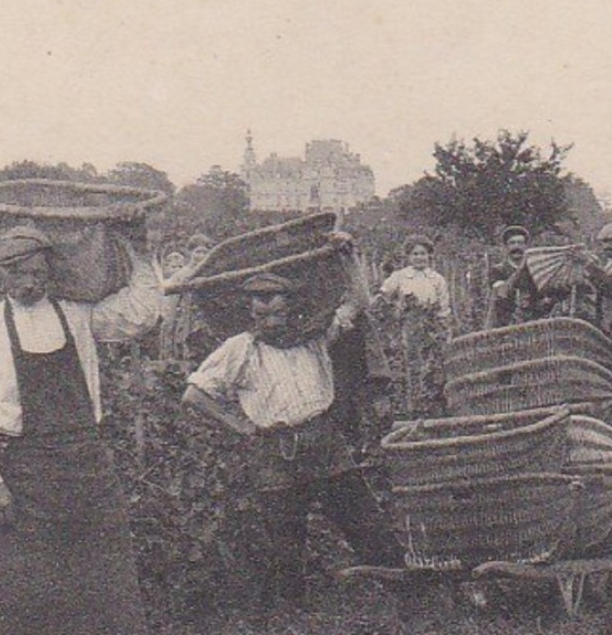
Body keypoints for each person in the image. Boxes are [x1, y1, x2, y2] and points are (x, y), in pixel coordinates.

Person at [0, 225, 162, 635]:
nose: (30, 283)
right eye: (20, 273)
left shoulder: (78, 315)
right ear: (3, 274)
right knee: (25, 573)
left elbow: (142, 314)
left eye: (38, 272)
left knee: (104, 563)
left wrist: (137, 251)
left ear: (52, 272)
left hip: (86, 459)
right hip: (25, 466)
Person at [183, 272, 402, 607]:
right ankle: (292, 620)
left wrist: (347, 257)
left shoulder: (314, 336)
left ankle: (405, 596)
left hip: (324, 441)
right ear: (249, 310)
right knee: (285, 544)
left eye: (277, 307)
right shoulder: (239, 348)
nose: (270, 317)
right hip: (275, 452)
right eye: (261, 308)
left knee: (366, 525)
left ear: (293, 306)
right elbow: (195, 394)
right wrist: (239, 425)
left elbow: (358, 303)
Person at [371, 235, 452, 418]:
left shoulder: (437, 278)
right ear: (408, 256)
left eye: (423, 254)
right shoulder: (400, 276)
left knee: (433, 365)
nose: (419, 257)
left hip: (432, 327)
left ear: (429, 256)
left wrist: (444, 329)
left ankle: (433, 405)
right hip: (409, 326)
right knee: (412, 365)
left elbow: (444, 308)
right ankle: (412, 407)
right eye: (415, 254)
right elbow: (383, 295)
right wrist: (389, 311)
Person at [485, 224, 541, 328]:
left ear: (526, 246)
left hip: (532, 323)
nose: (516, 246)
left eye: (520, 243)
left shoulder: (534, 270)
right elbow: (502, 291)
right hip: (505, 325)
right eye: (512, 243)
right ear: (506, 247)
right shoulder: (497, 270)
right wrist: (520, 269)